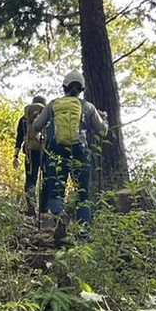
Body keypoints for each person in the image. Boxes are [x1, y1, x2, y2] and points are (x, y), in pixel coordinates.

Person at [29, 71, 108, 235]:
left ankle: (60, 221)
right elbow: (102, 131)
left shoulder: (53, 105)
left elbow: (36, 126)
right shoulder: (88, 107)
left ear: (64, 87)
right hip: (80, 152)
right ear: (81, 89)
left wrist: (40, 138)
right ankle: (84, 233)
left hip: (56, 152)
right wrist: (104, 119)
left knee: (56, 191)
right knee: (83, 193)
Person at [13, 95, 47, 209]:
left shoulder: (24, 119)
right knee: (46, 179)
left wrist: (15, 156)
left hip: (30, 152)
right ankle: (44, 209)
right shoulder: (47, 117)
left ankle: (31, 207)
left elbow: (19, 138)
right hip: (45, 152)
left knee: (30, 179)